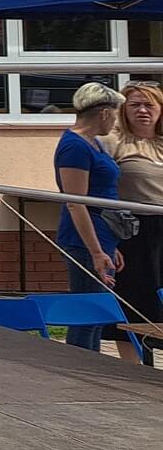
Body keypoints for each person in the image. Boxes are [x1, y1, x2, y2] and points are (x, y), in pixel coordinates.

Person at [56, 82, 127, 351]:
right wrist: (96, 251)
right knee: (87, 313)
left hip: (102, 234)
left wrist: (110, 245)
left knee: (96, 314)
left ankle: (90, 359)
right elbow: (76, 203)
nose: (115, 121)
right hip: (83, 239)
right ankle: (78, 364)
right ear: (104, 113)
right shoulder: (75, 146)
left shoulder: (93, 143)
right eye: (115, 114)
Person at [104, 82, 163, 339]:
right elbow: (99, 189)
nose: (142, 110)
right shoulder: (113, 141)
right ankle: (131, 357)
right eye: (135, 105)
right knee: (135, 298)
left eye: (149, 105)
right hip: (133, 230)